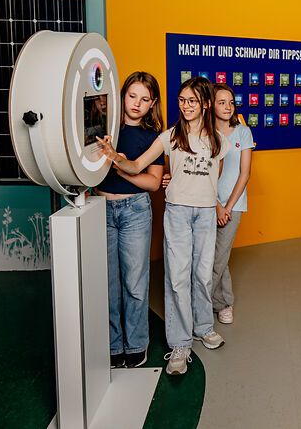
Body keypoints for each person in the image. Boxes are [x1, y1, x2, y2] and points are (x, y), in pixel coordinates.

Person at [98, 76, 230, 376]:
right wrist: (114, 158)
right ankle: (180, 344)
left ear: (206, 104)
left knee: (202, 275)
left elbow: (214, 175)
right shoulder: (168, 137)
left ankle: (203, 327)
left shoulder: (218, 141)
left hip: (206, 214)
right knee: (177, 278)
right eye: (182, 100)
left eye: (192, 101)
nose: (185, 106)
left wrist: (204, 195)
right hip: (178, 214)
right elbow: (136, 165)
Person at [95, 72, 164, 369]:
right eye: (132, 96)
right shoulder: (102, 129)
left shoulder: (153, 138)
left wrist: (119, 166)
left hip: (134, 212)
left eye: (145, 99)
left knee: (135, 283)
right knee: (109, 284)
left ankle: (135, 344)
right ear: (121, 95)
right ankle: (113, 344)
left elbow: (153, 183)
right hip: (101, 210)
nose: (137, 103)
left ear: (152, 104)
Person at [210, 83, 254, 324]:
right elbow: (205, 175)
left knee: (218, 257)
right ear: (211, 105)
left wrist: (226, 207)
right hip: (207, 203)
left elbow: (245, 173)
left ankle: (202, 302)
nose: (228, 107)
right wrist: (216, 204)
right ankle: (224, 302)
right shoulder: (206, 133)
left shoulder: (243, 132)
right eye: (222, 102)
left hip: (234, 205)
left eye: (231, 102)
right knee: (215, 256)